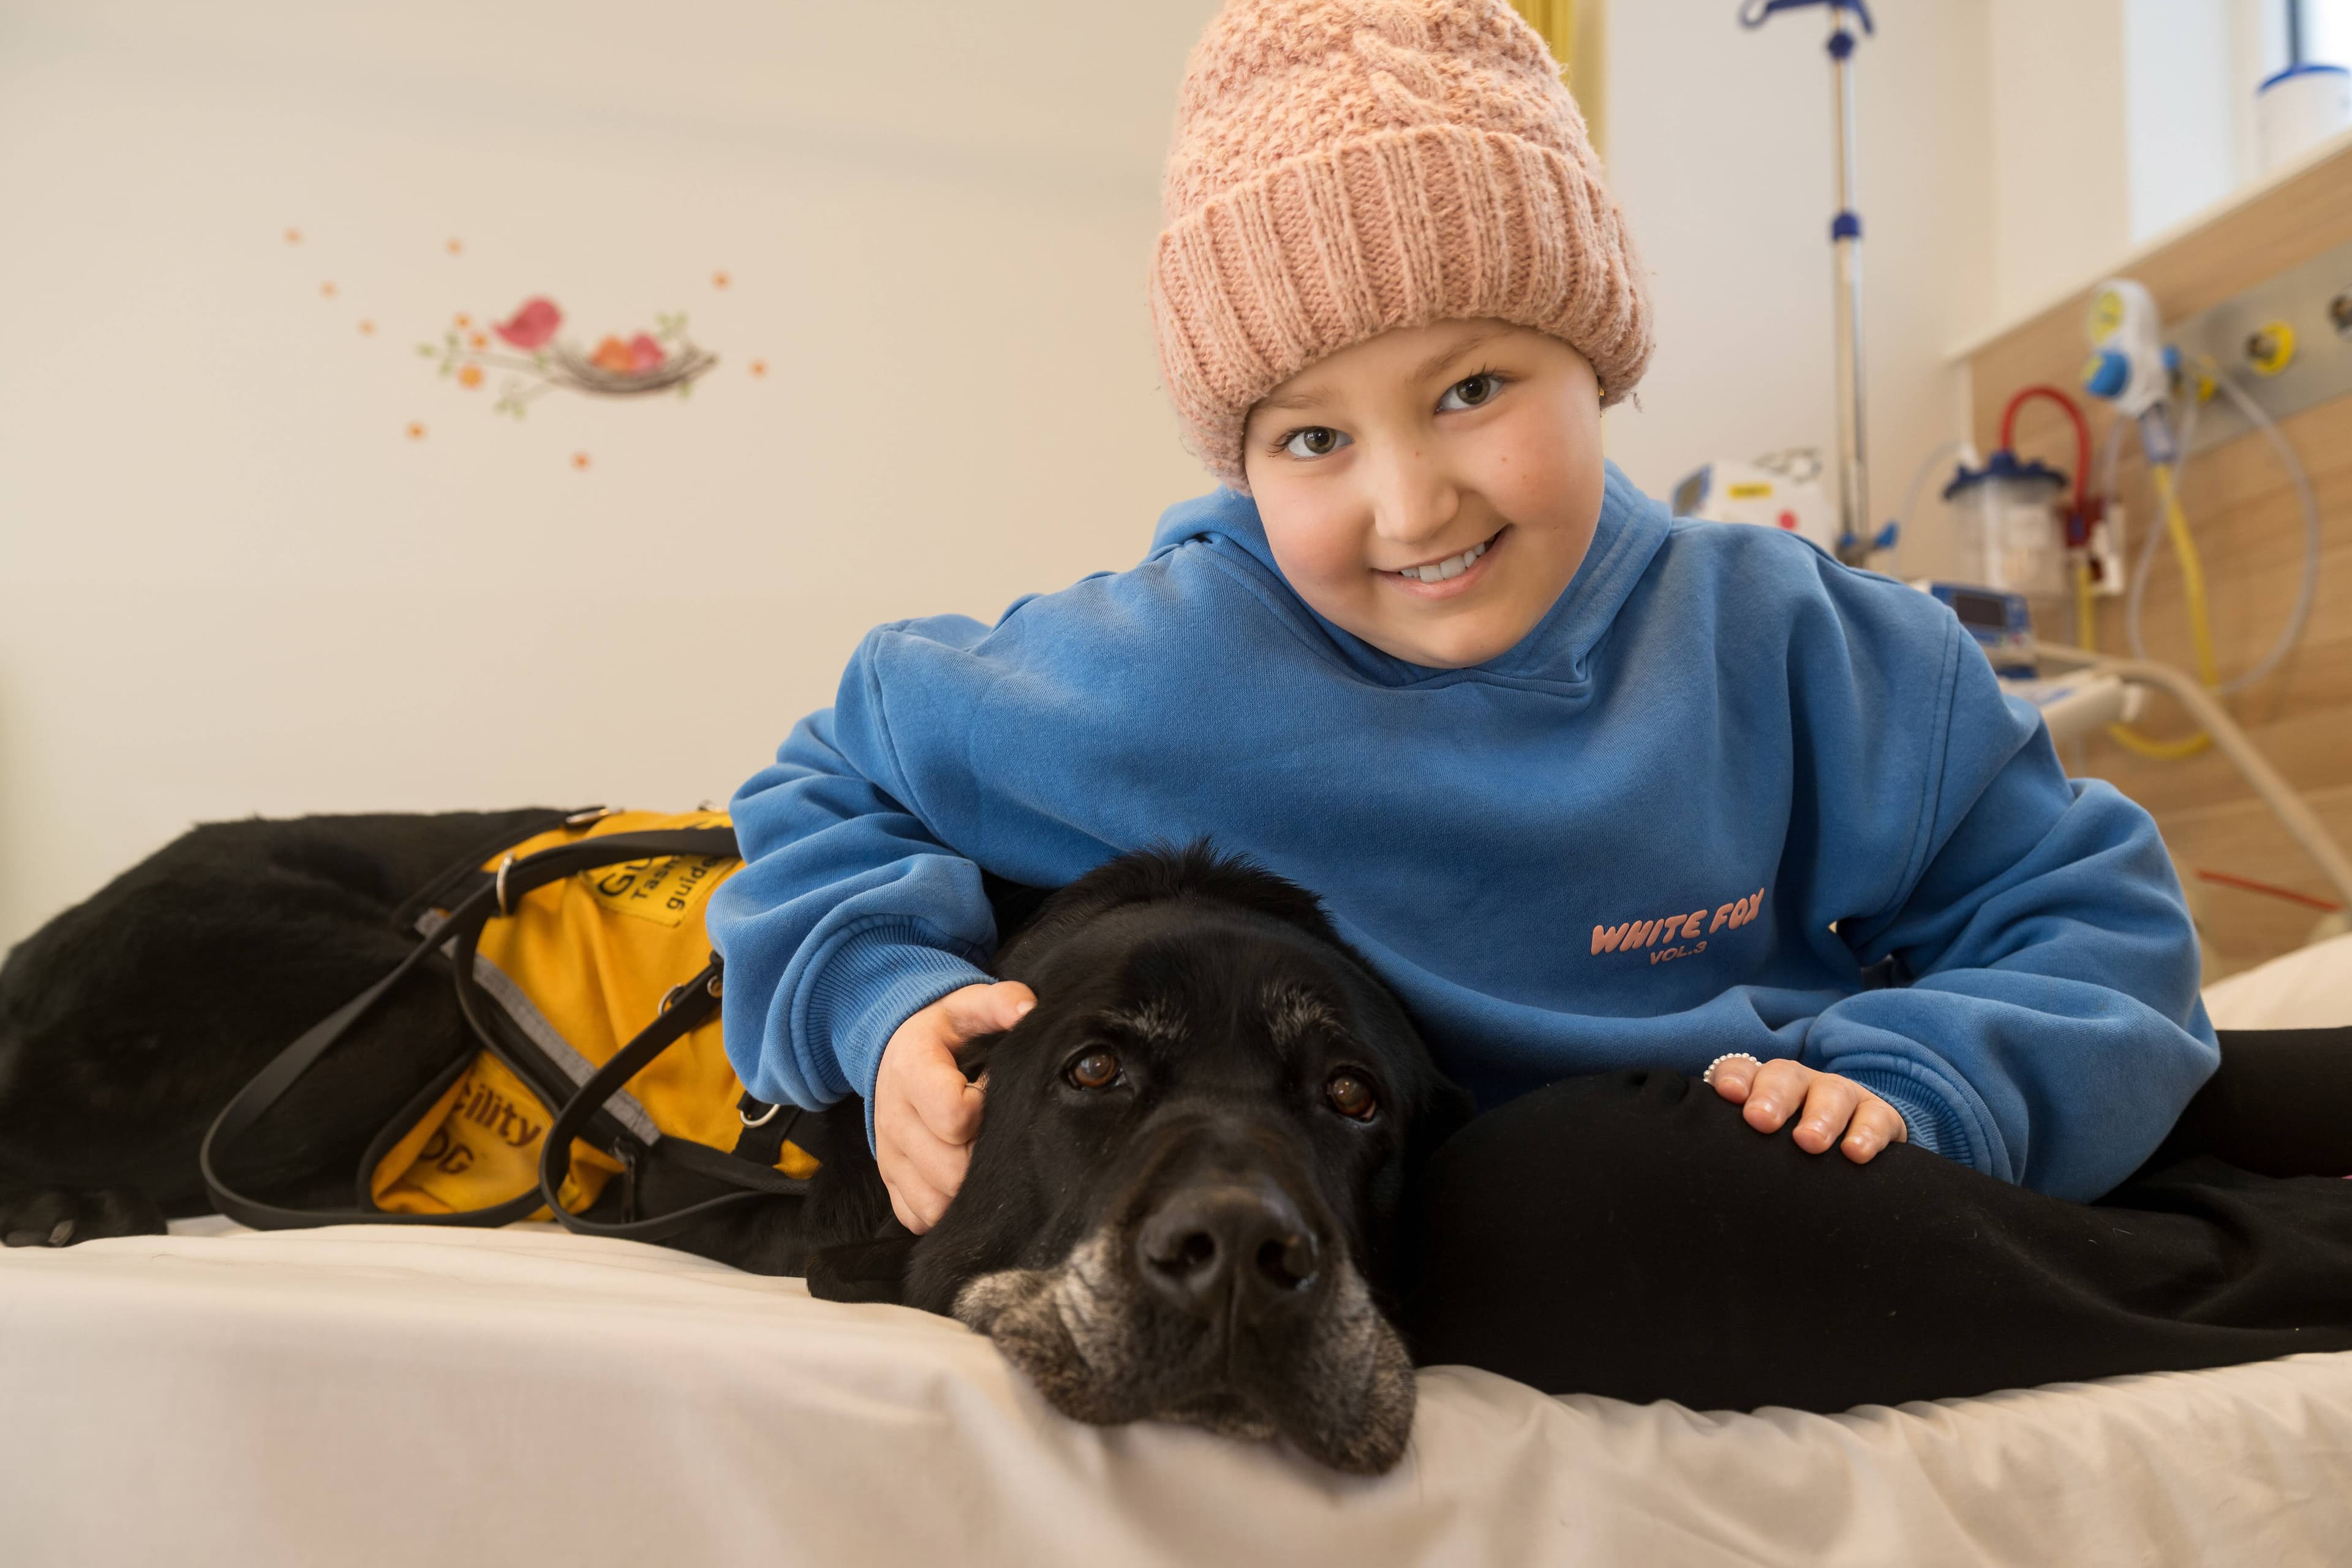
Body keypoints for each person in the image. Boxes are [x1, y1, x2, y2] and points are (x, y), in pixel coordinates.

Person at [709, 0, 2352, 1409]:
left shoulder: (1803, 645)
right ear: (1240, 458)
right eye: (1313, 440)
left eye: (1475, 390)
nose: (1414, 504)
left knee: (2209, 1076)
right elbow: (828, 784)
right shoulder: (1140, 670)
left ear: (1601, 357)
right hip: (1592, 1176)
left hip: (1809, 1104)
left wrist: (1929, 1081)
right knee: (1574, 1214)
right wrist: (883, 1000)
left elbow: (2095, 925)